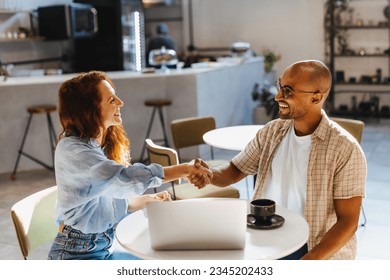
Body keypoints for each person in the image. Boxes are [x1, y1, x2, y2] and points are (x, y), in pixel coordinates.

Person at [198, 60, 367, 260]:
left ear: (316, 98)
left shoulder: (345, 150)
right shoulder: (272, 131)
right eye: (280, 87)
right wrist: (207, 174)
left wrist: (308, 262)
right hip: (266, 241)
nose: (278, 96)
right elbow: (234, 171)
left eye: (288, 91)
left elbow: (348, 222)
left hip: (313, 250)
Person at [48, 71, 212, 260]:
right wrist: (183, 170)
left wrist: (148, 199)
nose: (120, 102)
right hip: (75, 254)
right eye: (111, 100)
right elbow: (122, 178)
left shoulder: (98, 145)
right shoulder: (73, 150)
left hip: (102, 247)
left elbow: (109, 198)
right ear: (89, 110)